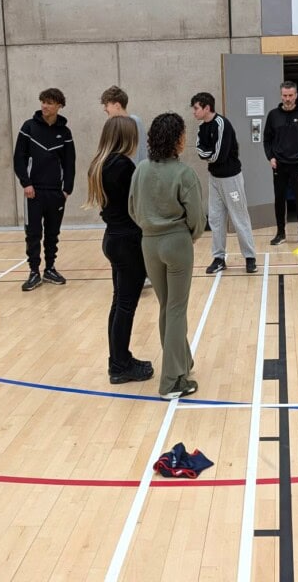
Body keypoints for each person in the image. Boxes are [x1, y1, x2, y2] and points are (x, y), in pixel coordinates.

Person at [128, 112, 205, 400]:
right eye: (184, 134)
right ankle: (172, 381)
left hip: (149, 244)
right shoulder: (185, 174)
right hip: (176, 244)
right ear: (177, 139)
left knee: (166, 307)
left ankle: (182, 362)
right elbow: (197, 217)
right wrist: (188, 236)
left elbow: (133, 209)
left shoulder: (141, 171)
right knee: (175, 310)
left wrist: (150, 228)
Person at [85, 116, 154, 384]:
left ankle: (119, 358)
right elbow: (137, 204)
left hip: (113, 237)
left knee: (119, 304)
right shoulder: (122, 165)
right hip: (126, 241)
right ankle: (119, 365)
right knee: (125, 306)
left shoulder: (101, 163)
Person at [14, 88, 76, 291]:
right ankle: (34, 271)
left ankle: (50, 268)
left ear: (59, 105)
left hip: (56, 192)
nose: (44, 106)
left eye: (49, 103)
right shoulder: (28, 127)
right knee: (33, 233)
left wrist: (66, 189)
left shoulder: (65, 133)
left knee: (52, 233)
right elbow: (18, 158)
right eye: (43, 102)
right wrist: (26, 183)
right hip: (34, 191)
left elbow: (70, 163)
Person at [190, 92, 257, 274]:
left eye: (196, 108)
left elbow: (218, 155)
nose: (194, 112)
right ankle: (219, 258)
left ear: (206, 107)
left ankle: (250, 258)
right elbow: (199, 151)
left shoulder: (222, 124)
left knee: (239, 217)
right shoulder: (201, 128)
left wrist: (208, 154)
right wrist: (209, 155)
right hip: (214, 179)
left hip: (231, 179)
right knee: (215, 218)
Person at [263, 81, 298, 246]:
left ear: (296, 95)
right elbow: (267, 139)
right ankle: (280, 233)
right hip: (279, 164)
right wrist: (270, 157)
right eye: (285, 95)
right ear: (281, 95)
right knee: (279, 199)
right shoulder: (273, 115)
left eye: (291, 95)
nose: (288, 99)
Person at [100, 85, 146, 164]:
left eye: (106, 105)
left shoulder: (134, 122)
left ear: (117, 105)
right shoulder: (118, 125)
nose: (104, 109)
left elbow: (135, 155)